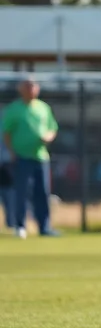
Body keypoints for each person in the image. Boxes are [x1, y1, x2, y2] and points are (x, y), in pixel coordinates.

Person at [2, 78, 60, 238]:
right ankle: (20, 226)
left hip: (41, 157)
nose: (31, 89)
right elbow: (7, 133)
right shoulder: (14, 109)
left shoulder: (43, 108)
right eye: (28, 86)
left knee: (43, 192)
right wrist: (12, 152)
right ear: (21, 89)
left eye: (33, 86)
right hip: (21, 157)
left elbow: (52, 128)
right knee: (21, 192)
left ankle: (44, 226)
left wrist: (48, 137)